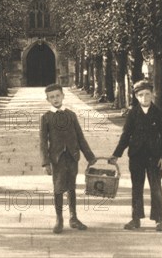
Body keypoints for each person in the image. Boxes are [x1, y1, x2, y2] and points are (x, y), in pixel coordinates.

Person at [109, 79, 162, 232]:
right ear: (136, 96)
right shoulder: (133, 114)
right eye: (141, 95)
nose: (145, 98)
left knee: (156, 188)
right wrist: (116, 154)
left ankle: (159, 219)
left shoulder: (158, 113)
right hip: (136, 157)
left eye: (148, 94)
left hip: (154, 158)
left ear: (152, 95)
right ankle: (136, 219)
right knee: (137, 188)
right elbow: (125, 135)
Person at [40, 83, 96, 234]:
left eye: (58, 95)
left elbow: (80, 137)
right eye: (52, 97)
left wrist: (89, 156)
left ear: (63, 96)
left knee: (71, 187)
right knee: (58, 188)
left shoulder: (71, 115)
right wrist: (46, 162)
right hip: (57, 159)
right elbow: (43, 142)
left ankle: (74, 218)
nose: (55, 99)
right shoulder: (45, 118)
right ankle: (59, 219)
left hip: (72, 156)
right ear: (48, 100)